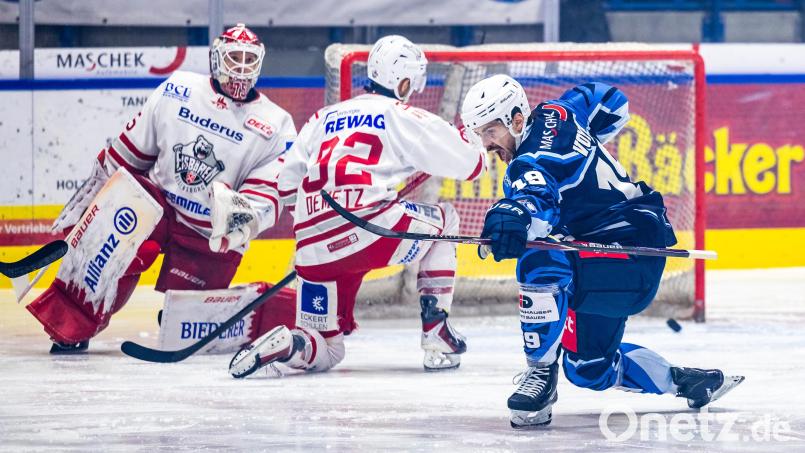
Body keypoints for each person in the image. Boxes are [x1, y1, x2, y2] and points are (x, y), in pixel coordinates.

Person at [459, 75, 744, 428]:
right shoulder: (559, 111)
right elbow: (610, 99)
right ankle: (688, 382)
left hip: (627, 257)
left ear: (517, 120)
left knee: (539, 257)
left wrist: (515, 214)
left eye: (490, 131)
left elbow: (537, 204)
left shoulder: (531, 161)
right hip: (622, 253)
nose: (486, 144)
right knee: (589, 368)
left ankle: (540, 374)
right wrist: (586, 147)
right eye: (480, 134)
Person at [27, 24, 297, 353]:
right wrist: (95, 207)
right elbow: (128, 156)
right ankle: (71, 322)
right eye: (233, 58)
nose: (241, 68)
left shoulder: (276, 124)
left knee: (187, 325)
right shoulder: (179, 89)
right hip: (156, 210)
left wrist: (236, 220)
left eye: (248, 60)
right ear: (216, 58)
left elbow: (266, 197)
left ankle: (178, 317)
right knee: (119, 220)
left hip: (207, 233)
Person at [227, 35, 487, 378]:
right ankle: (436, 334)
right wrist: (475, 142)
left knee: (327, 349)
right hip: (371, 230)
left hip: (312, 251)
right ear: (404, 81)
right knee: (447, 220)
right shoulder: (402, 115)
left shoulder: (321, 118)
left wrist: (322, 227)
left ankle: (291, 343)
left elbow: (287, 185)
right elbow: (471, 166)